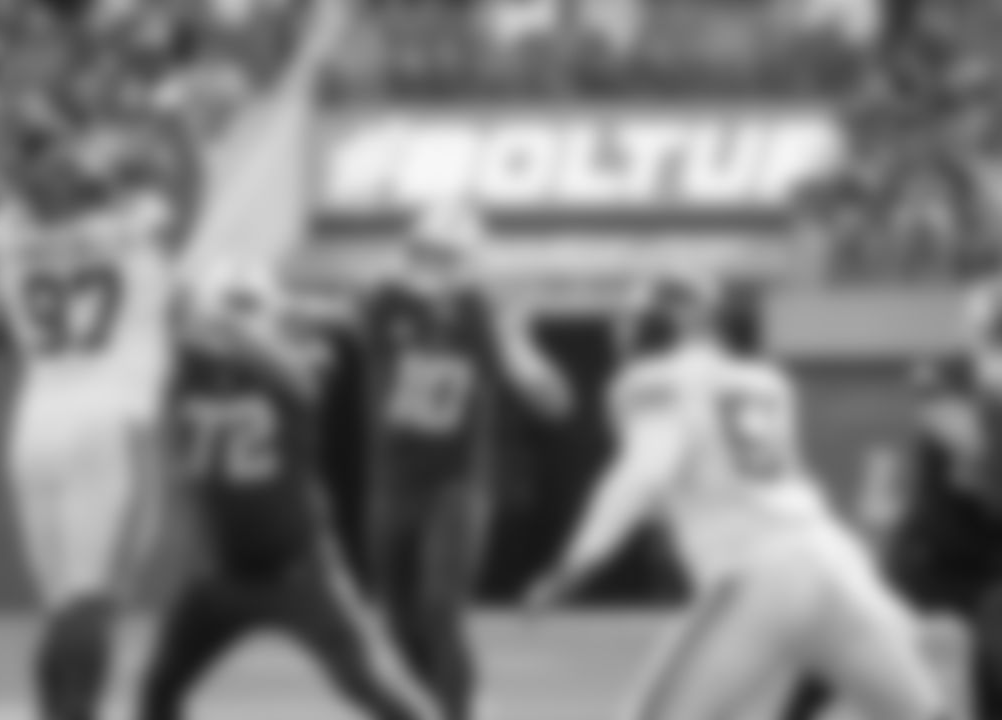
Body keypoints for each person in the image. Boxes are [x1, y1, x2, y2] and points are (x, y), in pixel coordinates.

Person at [527, 276, 950, 720]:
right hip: (836, 563)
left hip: (757, 572)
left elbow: (642, 475)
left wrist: (574, 564)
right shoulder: (764, 381)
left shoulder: (652, 383)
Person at [136, 266, 435, 720]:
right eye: (229, 308)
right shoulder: (188, 368)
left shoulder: (298, 360)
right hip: (220, 573)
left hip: (297, 572)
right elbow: (164, 322)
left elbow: (299, 371)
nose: (233, 320)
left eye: (245, 308)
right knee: (159, 688)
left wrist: (236, 328)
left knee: (366, 682)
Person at [0, 118, 186, 720]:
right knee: (94, 603)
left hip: (35, 423)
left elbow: (27, 199)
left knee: (61, 610)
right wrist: (143, 149)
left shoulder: (3, 233)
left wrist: (67, 171)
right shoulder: (133, 224)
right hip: (112, 420)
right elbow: (183, 188)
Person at [357, 205, 570, 720]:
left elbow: (555, 403)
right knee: (399, 624)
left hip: (456, 484)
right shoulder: (385, 302)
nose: (432, 265)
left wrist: (514, 340)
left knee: (438, 609)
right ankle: (461, 706)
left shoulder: (481, 311)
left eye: (445, 255)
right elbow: (408, 383)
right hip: (394, 485)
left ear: (469, 260)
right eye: (425, 253)